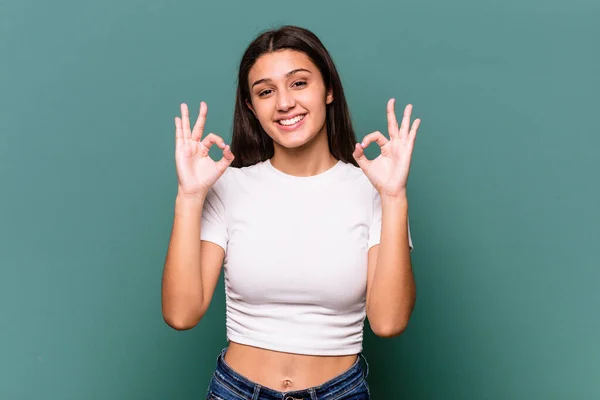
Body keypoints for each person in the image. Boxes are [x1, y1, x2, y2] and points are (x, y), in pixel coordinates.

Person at [162, 25, 420, 400]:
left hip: (340, 392)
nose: (283, 103)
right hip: (236, 391)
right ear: (252, 107)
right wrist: (188, 197)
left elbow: (388, 322)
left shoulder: (376, 188)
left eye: (299, 83)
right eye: (266, 91)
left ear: (328, 89)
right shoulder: (228, 187)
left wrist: (394, 198)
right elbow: (181, 314)